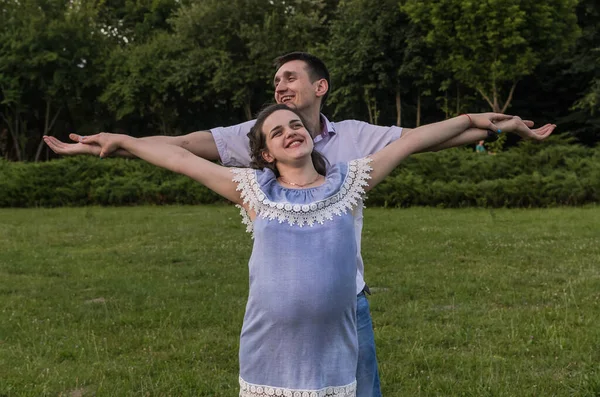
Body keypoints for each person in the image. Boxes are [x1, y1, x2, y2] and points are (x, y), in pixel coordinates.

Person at [44, 52, 556, 397]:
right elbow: (179, 153)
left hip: (345, 307)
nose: (281, 92)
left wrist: (486, 121)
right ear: (260, 150)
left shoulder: (355, 155)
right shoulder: (251, 180)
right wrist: (121, 140)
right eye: (276, 121)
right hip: (271, 337)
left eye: (289, 80)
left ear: (319, 87)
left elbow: (418, 139)